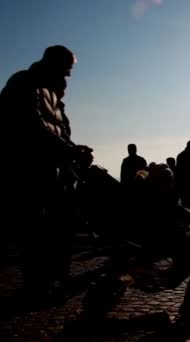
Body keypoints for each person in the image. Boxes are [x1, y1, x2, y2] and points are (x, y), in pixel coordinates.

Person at [1, 45, 90, 300]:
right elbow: (29, 127)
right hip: (27, 172)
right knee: (36, 235)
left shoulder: (53, 94)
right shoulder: (23, 83)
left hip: (54, 174)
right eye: (67, 69)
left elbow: (60, 132)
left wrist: (76, 150)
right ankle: (37, 287)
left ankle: (55, 280)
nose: (69, 76)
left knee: (60, 229)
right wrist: (70, 151)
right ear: (53, 63)